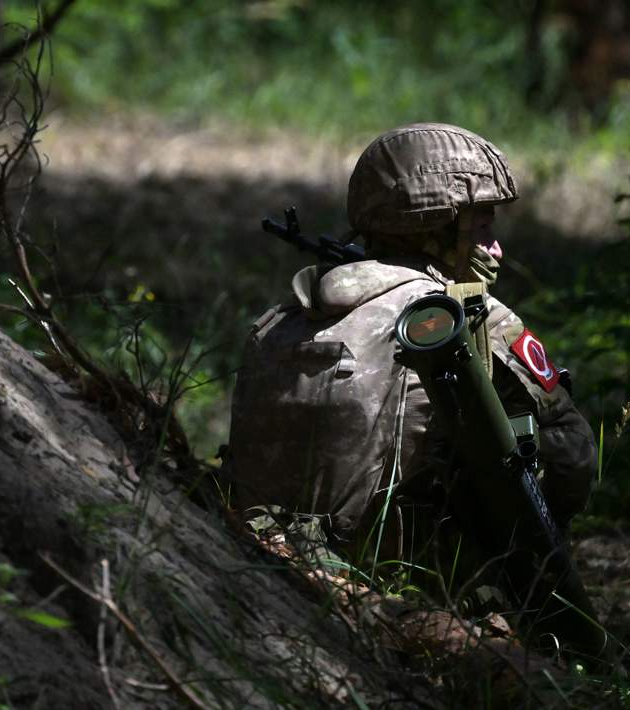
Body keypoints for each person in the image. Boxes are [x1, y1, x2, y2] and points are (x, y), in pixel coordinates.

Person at [225, 123, 596, 574]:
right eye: (481, 229)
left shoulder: (288, 315)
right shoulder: (464, 315)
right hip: (414, 579)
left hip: (267, 561)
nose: (496, 250)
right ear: (436, 229)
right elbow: (571, 458)